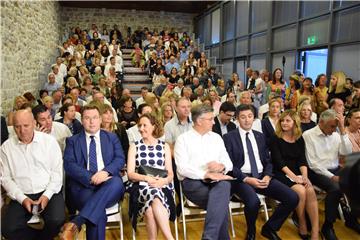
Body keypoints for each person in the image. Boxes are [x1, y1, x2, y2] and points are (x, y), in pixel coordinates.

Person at [223, 104, 298, 240]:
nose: (247, 120)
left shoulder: (260, 136)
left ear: (254, 118)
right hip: (242, 178)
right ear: (237, 119)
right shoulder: (229, 137)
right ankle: (251, 232)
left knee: (292, 197)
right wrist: (247, 179)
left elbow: (268, 161)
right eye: (243, 117)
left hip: (263, 176)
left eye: (250, 116)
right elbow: (229, 166)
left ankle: (269, 228)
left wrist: (268, 176)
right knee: (253, 202)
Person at [60, 105, 125, 240]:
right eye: (87, 118)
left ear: (100, 119)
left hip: (109, 186)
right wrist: (92, 177)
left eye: (95, 118)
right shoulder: (73, 141)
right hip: (83, 187)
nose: (91, 122)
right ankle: (75, 224)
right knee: (98, 213)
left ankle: (75, 223)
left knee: (117, 181)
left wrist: (105, 172)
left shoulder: (111, 137)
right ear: (82, 120)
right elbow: (69, 165)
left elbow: (120, 159)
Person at [1, 109, 65, 240]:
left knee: (57, 220)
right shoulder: (6, 148)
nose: (22, 130)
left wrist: (47, 196)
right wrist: (22, 199)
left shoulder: (49, 142)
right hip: (22, 193)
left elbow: (57, 174)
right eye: (17, 126)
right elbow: (6, 179)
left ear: (34, 123)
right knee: (8, 229)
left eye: (26, 125)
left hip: (48, 190)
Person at [175, 104, 233, 239]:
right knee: (220, 203)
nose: (214, 122)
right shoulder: (183, 140)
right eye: (211, 119)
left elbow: (228, 163)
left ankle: (208, 237)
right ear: (199, 121)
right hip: (192, 183)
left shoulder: (216, 138)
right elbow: (182, 168)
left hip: (217, 181)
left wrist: (221, 166)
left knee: (224, 187)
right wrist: (205, 174)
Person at [303, 109, 360, 239]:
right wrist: (333, 177)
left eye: (336, 126)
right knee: (336, 188)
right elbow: (313, 164)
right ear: (321, 122)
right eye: (332, 126)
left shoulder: (336, 134)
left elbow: (346, 153)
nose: (334, 130)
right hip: (317, 172)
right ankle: (328, 226)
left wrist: (342, 130)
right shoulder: (308, 135)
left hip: (335, 168)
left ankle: (351, 218)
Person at [270, 110, 319, 240]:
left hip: (297, 172)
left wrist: (304, 176)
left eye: (288, 120)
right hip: (281, 173)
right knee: (301, 191)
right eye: (282, 120)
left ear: (295, 123)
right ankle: (302, 222)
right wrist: (294, 178)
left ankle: (315, 230)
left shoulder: (299, 138)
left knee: (310, 190)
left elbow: (302, 160)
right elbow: (279, 162)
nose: (284, 123)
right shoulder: (275, 138)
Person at [127, 113, 175, 239]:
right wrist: (146, 178)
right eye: (139, 125)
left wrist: (163, 181)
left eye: (145, 125)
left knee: (150, 211)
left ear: (153, 126)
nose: (141, 128)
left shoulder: (164, 146)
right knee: (154, 195)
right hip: (141, 185)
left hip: (162, 185)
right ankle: (170, 238)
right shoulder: (134, 146)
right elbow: (130, 174)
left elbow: (170, 174)